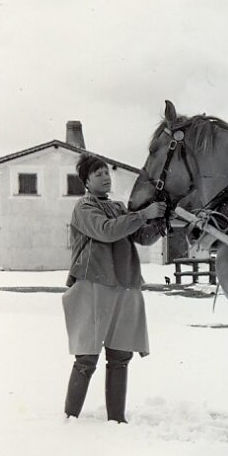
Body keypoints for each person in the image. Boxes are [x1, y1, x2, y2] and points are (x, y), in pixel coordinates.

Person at [62, 154, 166, 422]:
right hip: (92, 286)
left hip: (123, 286)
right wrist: (143, 214)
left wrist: (160, 220)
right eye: (99, 174)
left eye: (107, 172)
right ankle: (69, 419)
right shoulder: (84, 208)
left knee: (120, 356)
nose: (106, 177)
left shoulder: (119, 208)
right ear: (86, 181)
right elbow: (107, 231)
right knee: (86, 357)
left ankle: (116, 420)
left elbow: (141, 236)